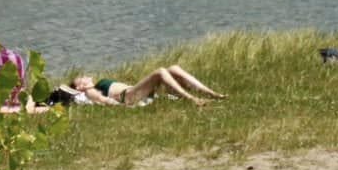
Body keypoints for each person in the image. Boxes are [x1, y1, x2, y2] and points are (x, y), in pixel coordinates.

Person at [68, 66, 225, 106]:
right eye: (81, 80)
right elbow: (103, 101)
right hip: (128, 97)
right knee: (160, 72)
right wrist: (122, 107)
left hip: (135, 91)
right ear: (80, 88)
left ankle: (211, 93)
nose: (84, 77)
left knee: (173, 68)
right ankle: (193, 100)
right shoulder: (90, 91)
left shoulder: (97, 84)